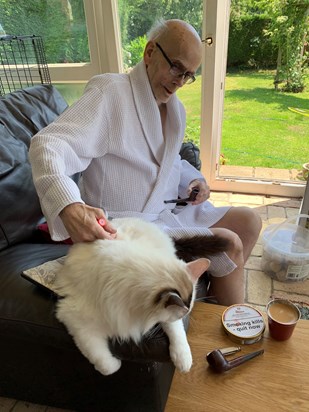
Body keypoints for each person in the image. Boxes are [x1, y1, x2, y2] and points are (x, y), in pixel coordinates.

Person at [29, 19, 262, 306]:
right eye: (176, 67)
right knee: (228, 244)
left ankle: (213, 301)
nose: (179, 81)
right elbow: (50, 144)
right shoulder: (110, 93)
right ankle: (233, 329)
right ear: (150, 52)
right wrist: (68, 205)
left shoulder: (175, 110)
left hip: (165, 214)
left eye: (188, 75)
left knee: (250, 221)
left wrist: (192, 179)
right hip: (126, 228)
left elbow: (169, 159)